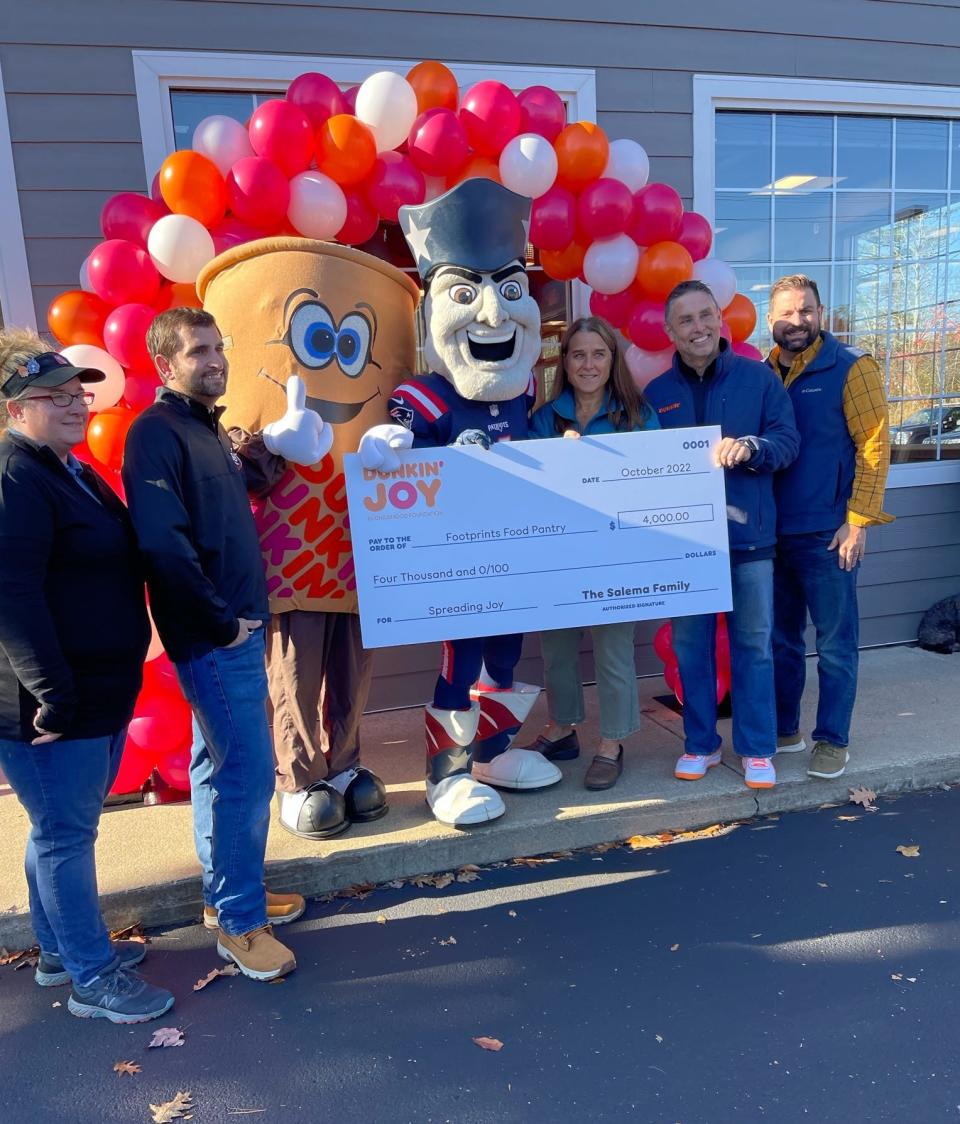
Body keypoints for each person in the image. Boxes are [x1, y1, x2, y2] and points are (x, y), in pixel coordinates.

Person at [196, 238, 421, 842]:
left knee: (354, 669)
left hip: (359, 556)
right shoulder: (228, 430)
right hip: (290, 563)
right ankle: (298, 778)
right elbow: (233, 482)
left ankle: (344, 764)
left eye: (354, 346)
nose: (342, 364)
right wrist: (270, 443)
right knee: (294, 674)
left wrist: (388, 450)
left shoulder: (377, 417)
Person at [359, 178, 561, 826]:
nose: (495, 316)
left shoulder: (525, 390)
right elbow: (403, 453)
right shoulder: (429, 397)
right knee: (462, 659)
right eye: (467, 294)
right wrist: (392, 443)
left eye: (508, 290)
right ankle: (446, 773)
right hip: (459, 569)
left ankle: (491, 752)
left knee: (506, 654)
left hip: (518, 559)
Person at [123, 308, 306, 982]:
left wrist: (268, 450)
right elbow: (162, 546)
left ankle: (226, 899)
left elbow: (226, 505)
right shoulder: (154, 434)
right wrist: (222, 622)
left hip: (233, 628)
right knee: (245, 778)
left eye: (218, 346)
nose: (216, 359)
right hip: (216, 635)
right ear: (165, 365)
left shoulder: (203, 430)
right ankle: (238, 925)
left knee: (212, 766)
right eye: (199, 350)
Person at [0, 329, 173, 1024]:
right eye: (53, 396)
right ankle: (91, 979)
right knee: (67, 836)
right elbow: (11, 594)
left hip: (93, 692)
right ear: (15, 410)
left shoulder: (65, 468)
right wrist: (53, 693)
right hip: (49, 704)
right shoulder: (15, 476)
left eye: (78, 393)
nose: (74, 405)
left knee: (57, 831)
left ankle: (56, 953)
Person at [644, 281, 799, 789]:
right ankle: (701, 744)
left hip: (750, 541)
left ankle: (757, 748)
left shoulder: (759, 381)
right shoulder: (658, 395)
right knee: (691, 646)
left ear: (720, 318)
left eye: (705, 315)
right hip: (685, 547)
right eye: (685, 320)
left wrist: (754, 447)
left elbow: (788, 442)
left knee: (753, 646)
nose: (698, 327)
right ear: (670, 331)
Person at [524, 316, 659, 790]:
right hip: (559, 553)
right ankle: (563, 729)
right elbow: (527, 485)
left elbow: (655, 481)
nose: (588, 363)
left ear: (612, 359)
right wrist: (560, 461)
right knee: (557, 647)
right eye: (578, 354)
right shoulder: (545, 417)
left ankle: (612, 743)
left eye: (598, 354)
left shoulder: (637, 415)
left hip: (617, 553)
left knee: (613, 648)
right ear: (565, 362)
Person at [766, 274, 893, 779]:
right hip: (772, 535)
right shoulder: (762, 375)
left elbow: (876, 445)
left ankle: (833, 739)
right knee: (781, 642)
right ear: (769, 318)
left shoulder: (852, 368)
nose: (797, 321)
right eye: (787, 312)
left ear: (820, 313)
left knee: (836, 645)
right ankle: (784, 730)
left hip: (829, 535)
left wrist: (858, 521)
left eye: (806, 310)